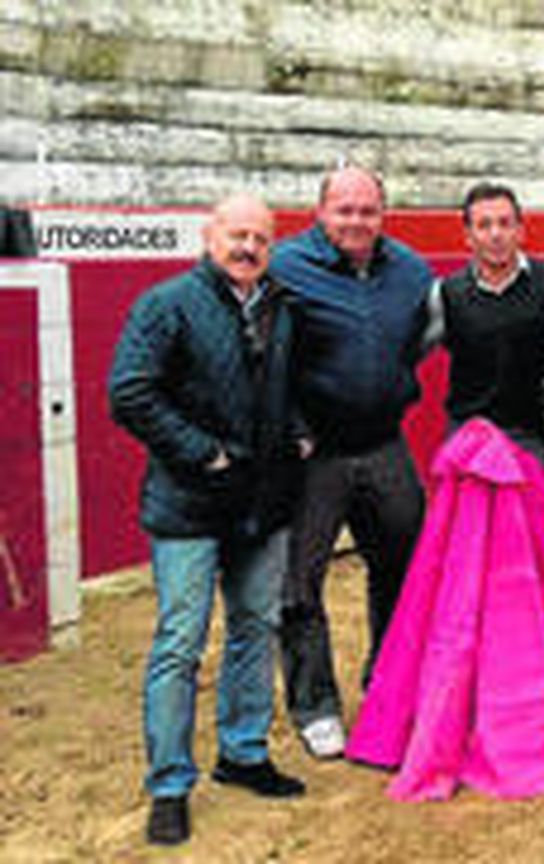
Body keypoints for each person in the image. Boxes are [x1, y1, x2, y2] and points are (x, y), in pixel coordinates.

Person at [110, 193, 309, 846]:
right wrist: (206, 453)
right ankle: (169, 784)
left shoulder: (280, 305)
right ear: (209, 235)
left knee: (256, 627)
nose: (248, 246)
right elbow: (130, 391)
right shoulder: (166, 303)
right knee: (180, 643)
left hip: (263, 500)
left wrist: (299, 431)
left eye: (260, 237)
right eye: (237, 234)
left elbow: (286, 386)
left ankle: (243, 752)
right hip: (190, 503)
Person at [270, 165, 434, 761]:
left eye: (367, 211)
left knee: (403, 567)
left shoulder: (411, 270)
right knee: (299, 583)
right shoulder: (286, 268)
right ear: (321, 212)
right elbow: (260, 353)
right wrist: (292, 427)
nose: (356, 222)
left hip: (385, 442)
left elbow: (418, 341)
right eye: (345, 210)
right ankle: (315, 706)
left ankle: (387, 684)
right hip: (316, 453)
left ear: (382, 215)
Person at [422, 183, 544, 459]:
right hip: (470, 435)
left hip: (535, 436)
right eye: (484, 225)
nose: (496, 234)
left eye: (505, 224)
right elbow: (407, 354)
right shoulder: (445, 294)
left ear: (520, 231)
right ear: (468, 236)